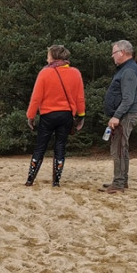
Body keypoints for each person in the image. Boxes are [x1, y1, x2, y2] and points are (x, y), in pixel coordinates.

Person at [25, 45, 85, 187]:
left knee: (40, 146)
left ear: (53, 56)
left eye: (48, 54)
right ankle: (56, 181)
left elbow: (36, 97)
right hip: (66, 115)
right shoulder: (75, 73)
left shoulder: (45, 73)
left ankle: (30, 179)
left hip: (48, 114)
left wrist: (30, 116)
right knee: (60, 146)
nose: (47, 57)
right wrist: (81, 116)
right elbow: (80, 97)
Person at [100, 39, 137, 194]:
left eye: (114, 53)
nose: (112, 56)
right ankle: (121, 181)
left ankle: (118, 183)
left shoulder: (129, 70)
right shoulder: (126, 69)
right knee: (121, 149)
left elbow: (128, 98)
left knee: (118, 149)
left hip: (125, 115)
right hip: (124, 114)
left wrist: (116, 116)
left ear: (122, 52)